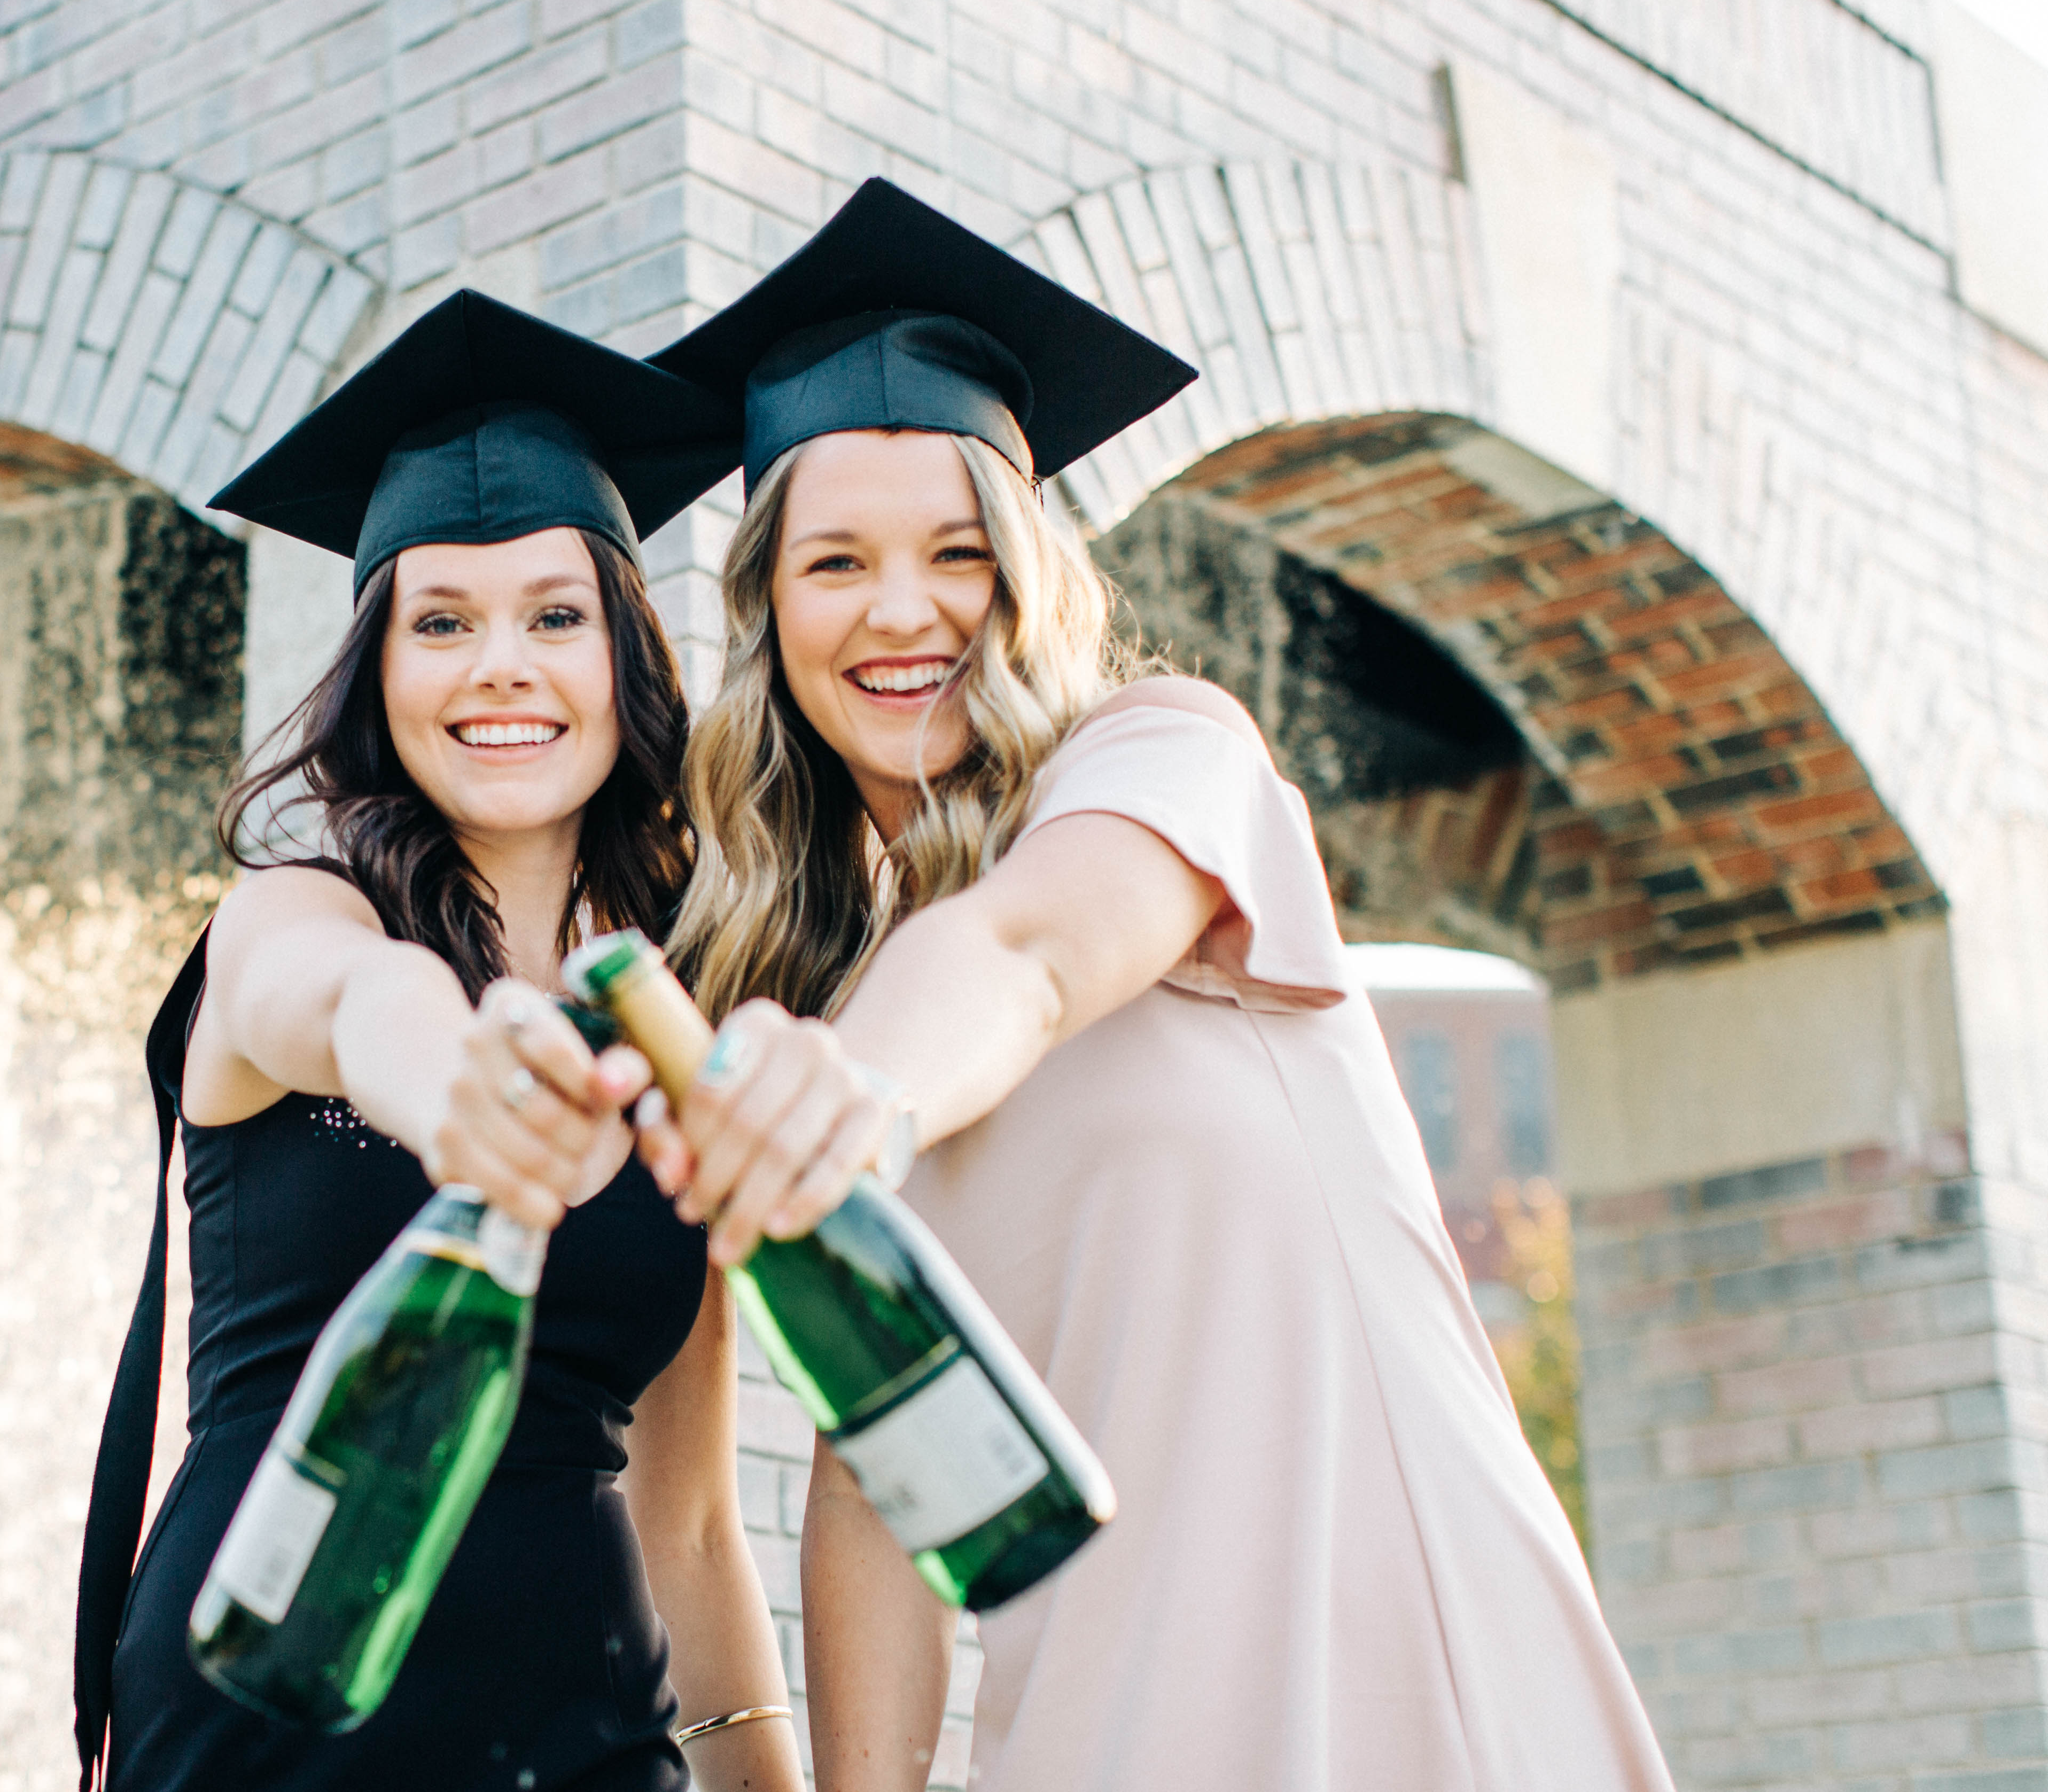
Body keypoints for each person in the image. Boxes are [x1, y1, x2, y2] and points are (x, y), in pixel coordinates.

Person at [638, 182, 1676, 1791]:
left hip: (1384, 1660)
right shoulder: (828, 1000)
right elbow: (877, 1478)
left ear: (1031, 575)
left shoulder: (1157, 758)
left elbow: (1030, 955)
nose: (899, 610)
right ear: (770, 613)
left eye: (956, 553)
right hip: (1104, 1720)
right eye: (834, 562)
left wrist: (856, 1097)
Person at [70, 290, 804, 1792]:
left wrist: (766, 1779)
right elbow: (339, 1008)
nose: (501, 670)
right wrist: (454, 1081)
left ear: (624, 663)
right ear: (378, 673)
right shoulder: (289, 916)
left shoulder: (670, 1022)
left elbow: (689, 1518)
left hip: (586, 1730)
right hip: (265, 1713)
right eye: (442, 625)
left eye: (554, 618)